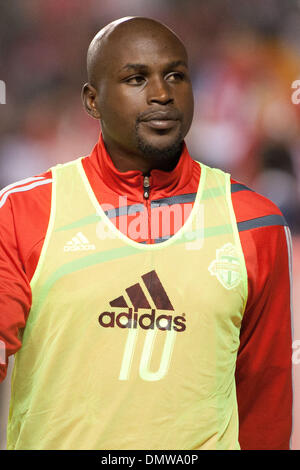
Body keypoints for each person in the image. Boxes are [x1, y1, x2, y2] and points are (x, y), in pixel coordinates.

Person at [0, 16, 293, 450]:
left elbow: (266, 401)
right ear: (92, 100)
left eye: (176, 75)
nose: (162, 94)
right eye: (136, 78)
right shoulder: (23, 213)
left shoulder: (255, 223)